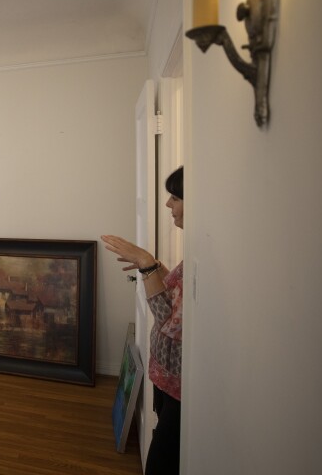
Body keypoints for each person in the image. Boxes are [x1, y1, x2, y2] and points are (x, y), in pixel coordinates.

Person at [101, 166, 183, 475]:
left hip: (179, 389)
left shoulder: (203, 259)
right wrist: (153, 265)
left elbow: (168, 320)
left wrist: (148, 266)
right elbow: (176, 295)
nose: (168, 205)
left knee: (161, 463)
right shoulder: (197, 253)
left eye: (175, 197)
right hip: (167, 382)